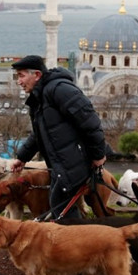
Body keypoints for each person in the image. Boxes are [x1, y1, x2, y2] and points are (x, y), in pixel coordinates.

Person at [10, 55, 107, 219]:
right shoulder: (40, 97)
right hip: (61, 164)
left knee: (61, 209)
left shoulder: (60, 90)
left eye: (21, 76)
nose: (19, 81)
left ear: (37, 75)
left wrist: (98, 155)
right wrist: (23, 157)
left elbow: (90, 122)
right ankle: (79, 241)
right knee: (60, 208)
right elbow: (40, 132)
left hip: (74, 162)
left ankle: (79, 242)